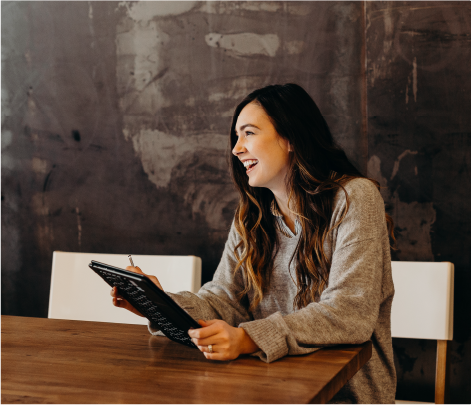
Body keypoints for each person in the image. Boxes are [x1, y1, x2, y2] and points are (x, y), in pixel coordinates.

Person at [111, 83, 396, 404]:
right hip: (266, 387)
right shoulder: (251, 216)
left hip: (343, 395)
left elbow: (349, 314)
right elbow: (224, 301)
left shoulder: (354, 198)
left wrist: (248, 338)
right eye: (236, 136)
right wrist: (160, 305)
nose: (236, 148)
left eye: (248, 133)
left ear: (290, 138)